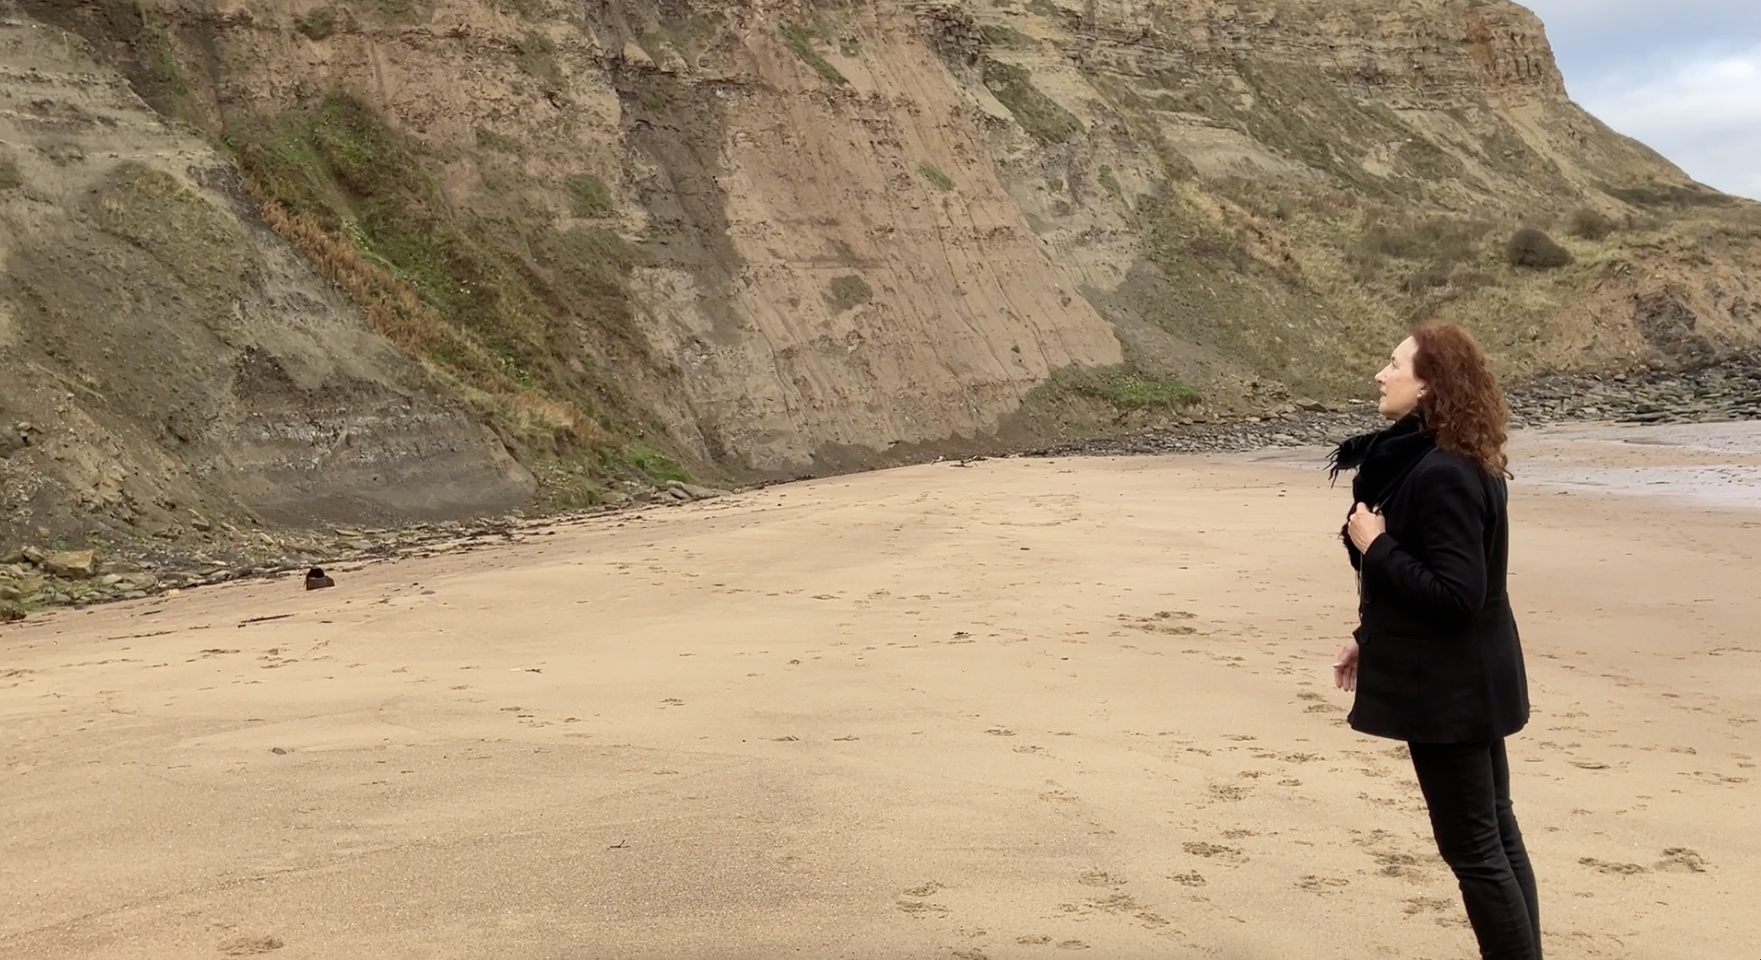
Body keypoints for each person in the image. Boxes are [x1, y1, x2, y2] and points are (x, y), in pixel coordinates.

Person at [1329, 322, 1539, 960]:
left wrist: (1377, 544)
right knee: (1494, 832)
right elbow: (1437, 584)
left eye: (1394, 364)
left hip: (1451, 690)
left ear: (1429, 386)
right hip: (1470, 676)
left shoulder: (1443, 470)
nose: (1380, 374)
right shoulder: (1443, 458)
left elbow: (1456, 594)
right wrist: (1370, 637)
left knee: (1474, 846)